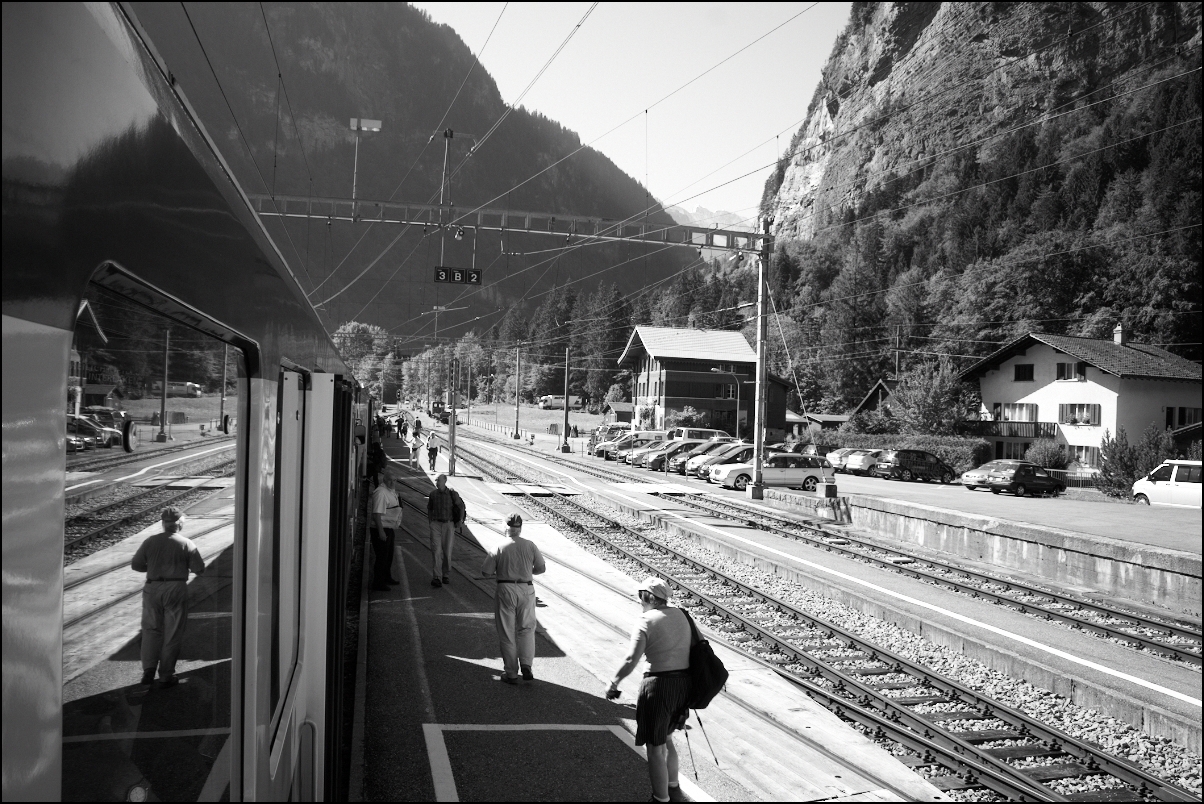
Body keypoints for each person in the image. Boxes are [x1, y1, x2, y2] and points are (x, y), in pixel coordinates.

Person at [607, 577, 692, 803]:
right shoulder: (683, 615)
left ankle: (660, 798)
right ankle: (673, 786)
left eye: (641, 595)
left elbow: (630, 659)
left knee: (655, 748)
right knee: (668, 738)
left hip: (658, 686)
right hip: (683, 686)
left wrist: (614, 683)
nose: (639, 600)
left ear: (650, 597)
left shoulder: (646, 620)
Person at [131, 507, 206, 687]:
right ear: (179, 524)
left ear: (163, 524)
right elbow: (199, 568)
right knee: (172, 633)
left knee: (150, 630)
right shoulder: (186, 543)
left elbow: (136, 565)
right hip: (175, 587)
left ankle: (148, 670)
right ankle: (165, 675)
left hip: (152, 587)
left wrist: (153, 569)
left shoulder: (150, 541)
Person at [480, 513, 545, 684]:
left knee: (507, 632)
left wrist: (502, 569)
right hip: (527, 589)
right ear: (520, 528)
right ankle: (526, 665)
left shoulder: (499, 547)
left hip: (506, 589)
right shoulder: (530, 545)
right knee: (527, 629)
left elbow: (485, 572)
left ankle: (511, 673)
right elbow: (541, 568)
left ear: (505, 528)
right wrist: (525, 572)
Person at [425, 473, 465, 588]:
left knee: (447, 552)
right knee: (436, 551)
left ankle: (445, 574)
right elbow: (430, 509)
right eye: (436, 480)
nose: (437, 482)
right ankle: (437, 577)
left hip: (449, 525)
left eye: (439, 480)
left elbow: (461, 506)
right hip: (436, 525)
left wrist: (460, 520)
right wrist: (431, 522)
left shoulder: (453, 494)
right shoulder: (433, 494)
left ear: (445, 481)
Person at [370, 473, 402, 591]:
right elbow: (376, 514)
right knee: (382, 557)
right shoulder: (381, 493)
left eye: (395, 480)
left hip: (389, 528)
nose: (392, 482)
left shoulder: (390, 491)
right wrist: (381, 531)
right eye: (390, 480)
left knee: (388, 556)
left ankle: (386, 577)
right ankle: (378, 583)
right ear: (384, 480)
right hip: (381, 529)